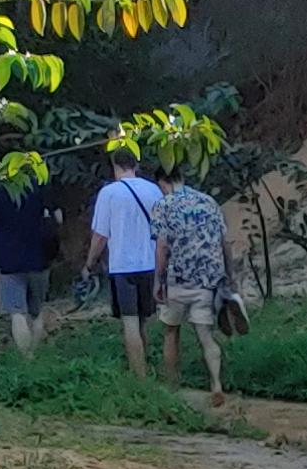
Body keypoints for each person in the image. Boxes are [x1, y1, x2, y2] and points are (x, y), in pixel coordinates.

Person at [154, 167, 234, 398]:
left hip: (178, 281)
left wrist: (157, 281)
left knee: (171, 332)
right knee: (206, 336)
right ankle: (216, 384)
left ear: (163, 182)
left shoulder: (164, 205)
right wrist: (230, 275)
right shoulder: (208, 202)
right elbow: (224, 242)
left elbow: (161, 247)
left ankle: (172, 386)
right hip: (207, 281)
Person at [89, 143, 163, 378]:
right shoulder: (153, 190)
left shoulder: (109, 193)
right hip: (150, 264)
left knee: (129, 323)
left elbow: (100, 235)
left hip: (122, 266)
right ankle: (148, 369)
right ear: (136, 165)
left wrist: (90, 262)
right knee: (144, 321)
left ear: (115, 166)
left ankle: (138, 378)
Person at [0, 174, 60, 353]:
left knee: (17, 312)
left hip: (8, 261)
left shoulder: (0, 193)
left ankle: (26, 357)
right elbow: (59, 219)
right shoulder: (41, 189)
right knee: (37, 311)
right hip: (40, 258)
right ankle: (35, 353)